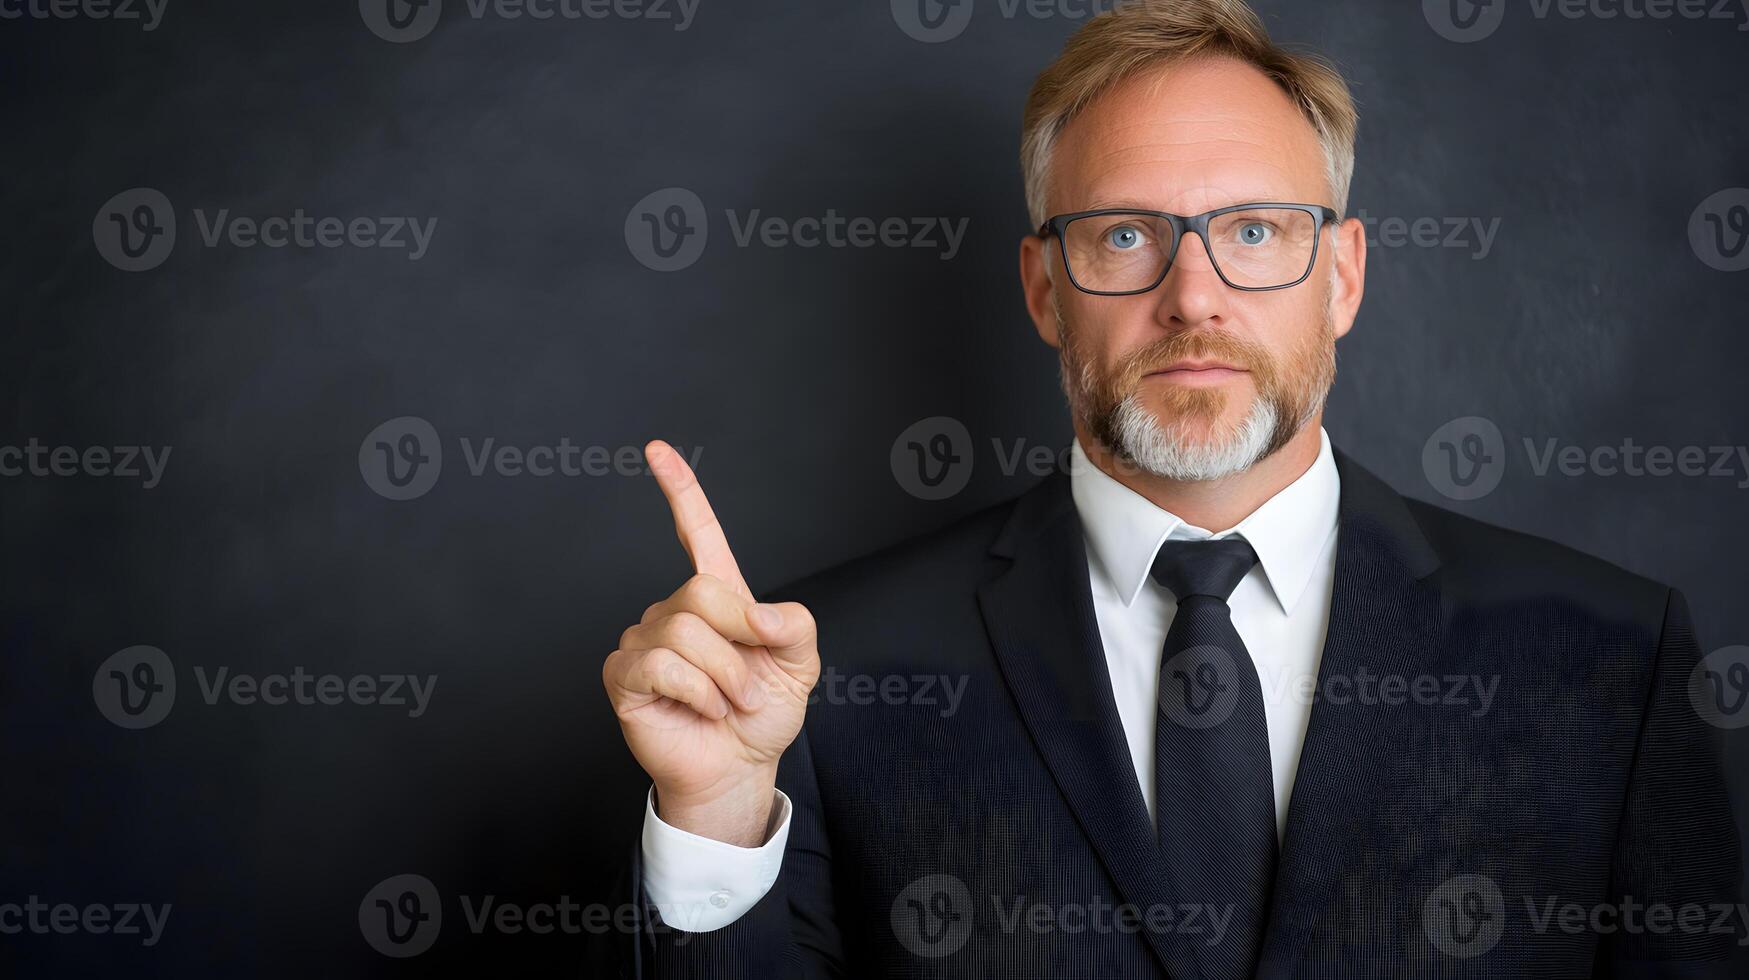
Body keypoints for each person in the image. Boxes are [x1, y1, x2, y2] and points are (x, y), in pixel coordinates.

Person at [601, 1, 1741, 975]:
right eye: (1125, 233)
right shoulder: (815, 676)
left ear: (1340, 276)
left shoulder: (1607, 658)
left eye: (1253, 229)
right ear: (1046, 289)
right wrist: (716, 822)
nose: (1193, 294)